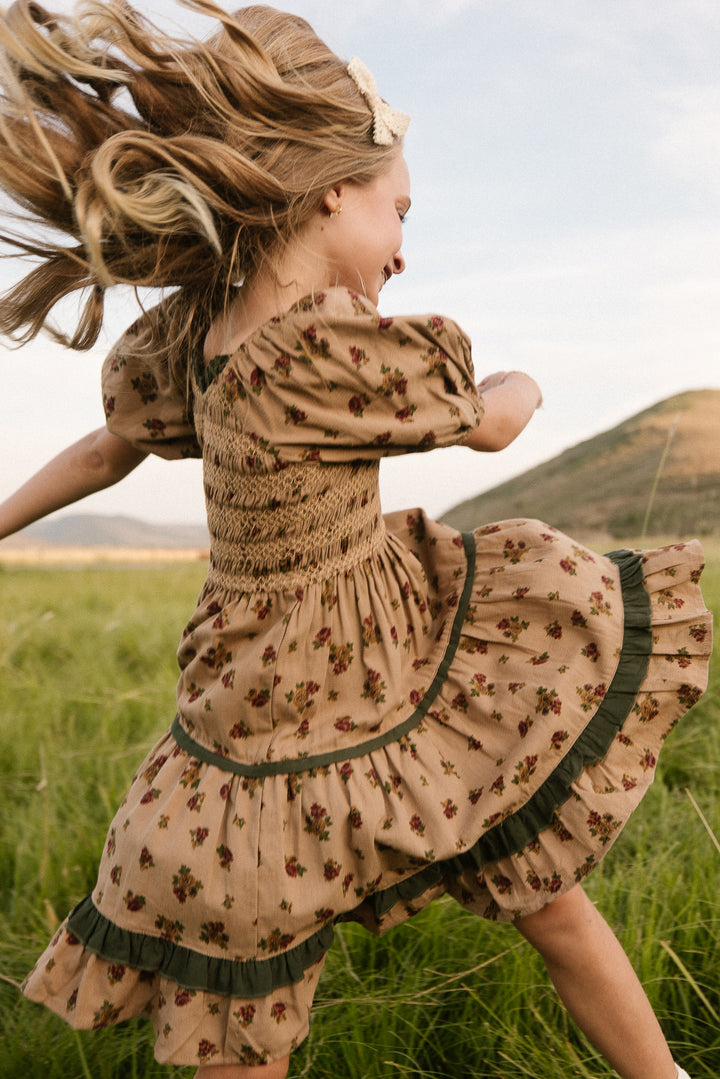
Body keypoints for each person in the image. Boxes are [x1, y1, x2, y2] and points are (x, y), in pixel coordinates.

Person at [0, 3, 710, 1077]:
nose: (404, 251)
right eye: (399, 214)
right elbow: (496, 425)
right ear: (335, 191)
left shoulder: (200, 333)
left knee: (247, 954)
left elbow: (106, 450)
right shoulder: (330, 345)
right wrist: (521, 379)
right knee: (529, 892)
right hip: (328, 679)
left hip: (312, 669)